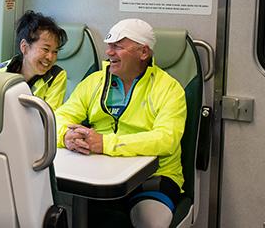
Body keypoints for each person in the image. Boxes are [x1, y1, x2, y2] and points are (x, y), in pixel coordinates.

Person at [54, 18, 186, 228]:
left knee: (150, 221)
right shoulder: (94, 82)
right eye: (109, 46)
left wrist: (106, 144)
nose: (109, 52)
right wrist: (65, 136)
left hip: (154, 175)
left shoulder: (169, 89)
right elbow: (60, 117)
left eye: (117, 46)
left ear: (143, 53)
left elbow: (166, 139)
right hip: (97, 173)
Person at [0, 10, 68, 110]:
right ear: (24, 47)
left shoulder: (57, 76)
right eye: (45, 49)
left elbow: (49, 118)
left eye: (55, 52)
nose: (50, 57)